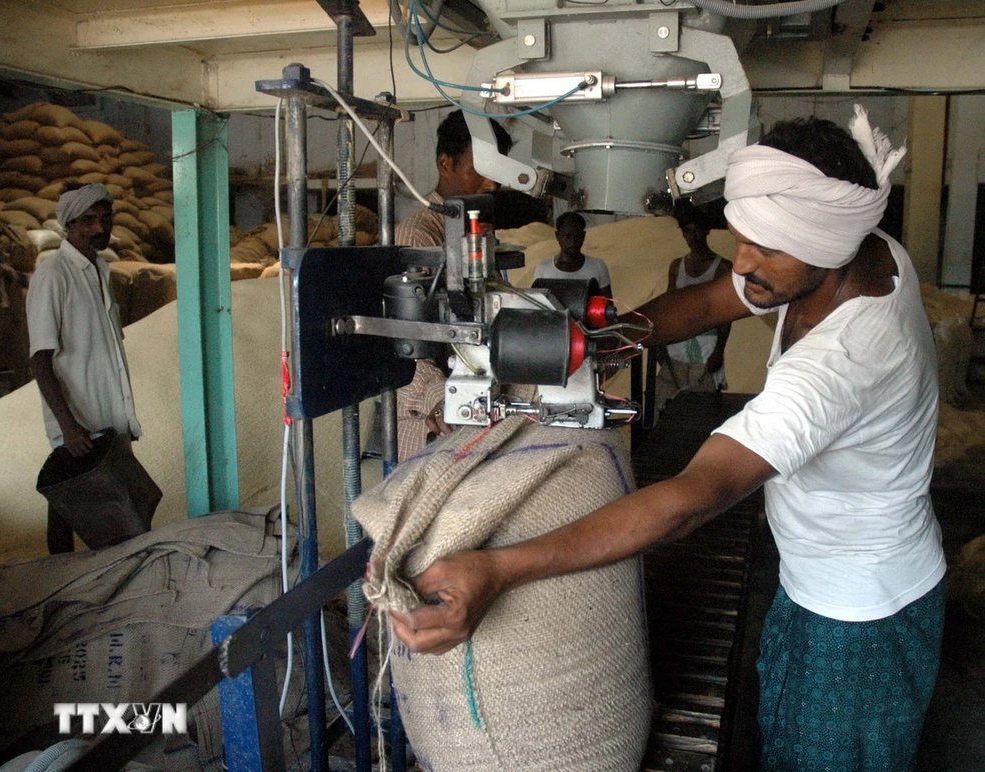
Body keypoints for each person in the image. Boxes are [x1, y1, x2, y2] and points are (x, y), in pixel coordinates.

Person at [390, 107, 945, 771]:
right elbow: (711, 301)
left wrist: (501, 568)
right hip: (812, 577)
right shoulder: (839, 252)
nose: (744, 261)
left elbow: (693, 496)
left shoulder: (845, 358)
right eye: (742, 237)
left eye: (763, 248)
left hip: (863, 613)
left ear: (823, 240)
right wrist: (597, 344)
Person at [27, 183, 144, 553]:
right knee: (68, 504)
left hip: (106, 411)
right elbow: (40, 360)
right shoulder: (52, 275)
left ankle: (96, 576)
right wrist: (68, 427)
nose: (99, 228)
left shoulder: (100, 270)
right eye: (88, 220)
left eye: (105, 219)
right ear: (69, 224)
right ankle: (61, 581)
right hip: (77, 420)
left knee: (89, 503)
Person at [394, 110, 513, 462]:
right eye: (480, 170)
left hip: (476, 395)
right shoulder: (419, 236)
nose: (492, 185)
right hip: (435, 419)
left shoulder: (478, 233)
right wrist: (441, 397)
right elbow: (407, 341)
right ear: (445, 163)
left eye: (498, 174)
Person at [654, 199, 732, 421]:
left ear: (707, 231)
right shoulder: (677, 266)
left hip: (707, 348)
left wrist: (719, 351)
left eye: (697, 230)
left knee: (703, 409)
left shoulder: (722, 267)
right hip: (676, 346)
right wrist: (661, 343)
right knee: (669, 408)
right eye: (688, 231)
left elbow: (726, 315)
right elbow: (668, 306)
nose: (693, 237)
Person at [532, 211, 612, 296]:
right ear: (557, 236)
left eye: (577, 236)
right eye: (567, 237)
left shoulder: (598, 266)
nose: (572, 242)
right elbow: (536, 304)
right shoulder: (544, 268)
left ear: (583, 236)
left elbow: (607, 305)